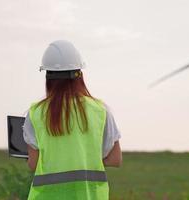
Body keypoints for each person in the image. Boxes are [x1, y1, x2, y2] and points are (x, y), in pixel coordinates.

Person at [22, 40, 122, 200]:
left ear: (47, 77)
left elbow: (33, 164)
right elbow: (115, 159)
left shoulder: (35, 114)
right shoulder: (100, 111)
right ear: (79, 75)